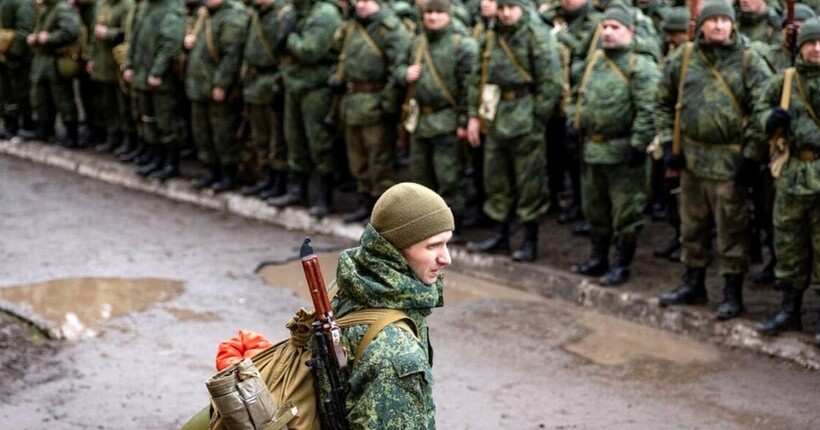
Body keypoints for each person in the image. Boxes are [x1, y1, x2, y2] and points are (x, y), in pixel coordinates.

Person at [655, 0, 772, 320]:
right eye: (713, 20)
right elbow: (663, 101)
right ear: (701, 25)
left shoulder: (749, 60)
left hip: (729, 162)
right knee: (692, 226)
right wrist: (669, 143)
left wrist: (750, 156)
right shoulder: (685, 57)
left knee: (731, 229)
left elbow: (764, 110)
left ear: (733, 24)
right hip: (691, 159)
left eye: (725, 20)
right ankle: (693, 283)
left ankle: (732, 293)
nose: (719, 25)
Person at [315, 181, 453, 428]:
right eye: (433, 246)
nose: (446, 258)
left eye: (446, 243)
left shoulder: (352, 281)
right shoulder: (397, 356)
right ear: (394, 249)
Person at [567, 3, 660, 286]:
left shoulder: (640, 65)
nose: (607, 32)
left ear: (630, 31)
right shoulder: (593, 61)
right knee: (595, 209)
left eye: (615, 28)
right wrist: (574, 121)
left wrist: (638, 144)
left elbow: (649, 109)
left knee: (625, 213)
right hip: (593, 150)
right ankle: (598, 257)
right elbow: (576, 95)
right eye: (604, 27)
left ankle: (622, 264)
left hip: (623, 153)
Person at [465, 0, 564, 262]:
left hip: (525, 113)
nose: (506, 13)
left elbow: (551, 82)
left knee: (529, 181)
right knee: (496, 177)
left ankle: (530, 238)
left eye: (512, 6)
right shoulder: (491, 36)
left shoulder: (535, 35)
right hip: (497, 114)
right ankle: (500, 234)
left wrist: (536, 117)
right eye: (502, 7)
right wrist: (474, 117)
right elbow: (478, 77)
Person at [756, 17, 820, 342]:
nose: (816, 48)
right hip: (792, 173)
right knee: (789, 244)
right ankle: (789, 310)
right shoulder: (786, 80)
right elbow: (758, 108)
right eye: (810, 42)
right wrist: (770, 120)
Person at [332, 0, 411, 222]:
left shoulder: (390, 29)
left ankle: (382, 211)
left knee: (379, 159)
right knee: (357, 158)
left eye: (368, 1)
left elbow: (399, 70)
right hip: (353, 101)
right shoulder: (352, 27)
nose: (361, 5)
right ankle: (364, 201)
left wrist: (388, 103)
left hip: (376, 101)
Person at [405, 0, 478, 239]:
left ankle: (451, 225)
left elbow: (470, 88)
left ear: (448, 15)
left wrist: (464, 121)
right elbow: (396, 68)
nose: (432, 18)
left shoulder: (462, 45)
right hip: (421, 120)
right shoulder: (418, 43)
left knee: (449, 177)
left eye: (438, 13)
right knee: (420, 177)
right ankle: (425, 226)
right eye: (429, 13)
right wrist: (403, 74)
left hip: (447, 119)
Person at [268, 0, 343, 217]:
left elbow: (311, 50)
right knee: (294, 139)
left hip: (316, 86)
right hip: (293, 83)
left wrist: (289, 37)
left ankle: (324, 197)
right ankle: (297, 189)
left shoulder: (325, 14)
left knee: (319, 142)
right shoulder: (291, 12)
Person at [186, 0, 248, 190]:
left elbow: (232, 55)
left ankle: (228, 173)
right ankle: (211, 171)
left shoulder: (232, 16)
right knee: (202, 132)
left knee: (223, 131)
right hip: (199, 85)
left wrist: (222, 83)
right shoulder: (205, 15)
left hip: (215, 86)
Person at [123, 0, 187, 179]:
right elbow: (134, 39)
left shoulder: (171, 10)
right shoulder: (147, 8)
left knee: (167, 121)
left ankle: (170, 162)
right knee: (149, 119)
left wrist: (157, 71)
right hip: (143, 75)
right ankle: (155, 157)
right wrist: (129, 65)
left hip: (161, 80)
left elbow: (170, 45)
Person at [239, 0, 290, 199]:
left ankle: (279, 181)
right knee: (260, 136)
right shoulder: (256, 14)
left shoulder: (281, 15)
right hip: (255, 83)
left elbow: (284, 55)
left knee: (275, 137)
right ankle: (265, 178)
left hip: (271, 82)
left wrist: (279, 82)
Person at [25, 0, 82, 148]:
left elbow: (71, 31)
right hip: (42, 58)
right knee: (40, 96)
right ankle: (44, 130)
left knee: (62, 97)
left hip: (56, 59)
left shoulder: (62, 8)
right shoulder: (45, 8)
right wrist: (35, 38)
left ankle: (71, 135)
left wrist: (50, 38)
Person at [0, 0, 36, 140]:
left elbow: (24, 30)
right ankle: (11, 125)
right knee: (7, 93)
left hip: (20, 58)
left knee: (22, 92)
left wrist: (14, 54)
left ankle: (27, 125)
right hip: (5, 55)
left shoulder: (23, 2)